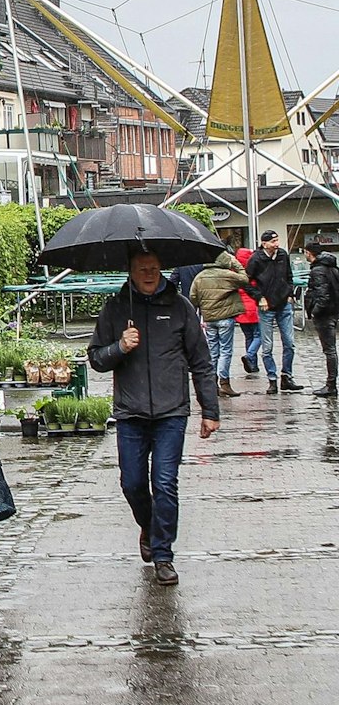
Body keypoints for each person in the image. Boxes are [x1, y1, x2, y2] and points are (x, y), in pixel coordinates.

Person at [88, 248, 221, 586]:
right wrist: (120, 346)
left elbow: (202, 362)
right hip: (130, 413)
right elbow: (96, 359)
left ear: (161, 269)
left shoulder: (180, 307)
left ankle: (163, 555)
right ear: (130, 271)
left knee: (164, 483)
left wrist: (210, 410)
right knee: (132, 482)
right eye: (141, 268)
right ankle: (148, 525)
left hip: (171, 411)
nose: (148, 273)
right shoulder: (116, 308)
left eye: (154, 268)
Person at [190, 251, 257, 399]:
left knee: (213, 351)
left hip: (208, 318)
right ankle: (224, 382)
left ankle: (212, 383)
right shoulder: (227, 275)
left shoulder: (199, 277)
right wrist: (235, 263)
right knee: (226, 351)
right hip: (226, 317)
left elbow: (193, 298)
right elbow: (245, 279)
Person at [246, 229, 301, 392]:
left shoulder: (283, 255)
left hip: (284, 304)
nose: (276, 244)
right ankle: (272, 378)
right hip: (266, 306)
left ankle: (287, 376)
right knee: (267, 346)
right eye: (273, 241)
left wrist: (290, 293)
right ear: (264, 244)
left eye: (277, 240)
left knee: (289, 343)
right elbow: (246, 281)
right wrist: (259, 297)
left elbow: (289, 276)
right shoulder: (256, 259)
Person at [305, 244, 339, 397]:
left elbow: (322, 295)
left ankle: (331, 385)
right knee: (331, 350)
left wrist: (314, 311)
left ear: (309, 253)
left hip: (325, 315)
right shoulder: (332, 267)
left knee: (329, 350)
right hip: (334, 311)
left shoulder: (317, 270)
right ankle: (331, 383)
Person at [235, 246, 262, 378]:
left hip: (241, 310)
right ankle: (250, 356)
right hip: (254, 308)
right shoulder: (255, 271)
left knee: (249, 337)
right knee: (259, 335)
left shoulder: (234, 272)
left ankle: (253, 365)